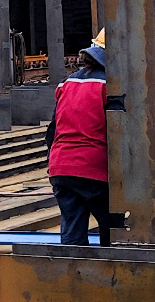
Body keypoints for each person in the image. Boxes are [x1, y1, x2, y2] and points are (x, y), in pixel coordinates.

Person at [46, 29, 118, 246]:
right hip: (93, 168)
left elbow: (53, 130)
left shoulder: (67, 83)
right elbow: (120, 131)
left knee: (72, 231)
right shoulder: (111, 86)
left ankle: (72, 265)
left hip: (61, 167)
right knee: (114, 229)